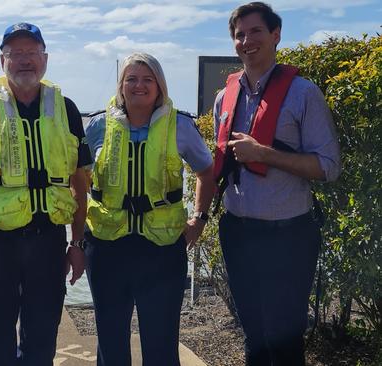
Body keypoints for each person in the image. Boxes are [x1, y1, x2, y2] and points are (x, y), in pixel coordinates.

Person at [0, 22, 92, 365]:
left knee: (41, 341)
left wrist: (76, 244)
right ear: (2, 61)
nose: (25, 60)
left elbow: (79, 183)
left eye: (32, 52)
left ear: (45, 59)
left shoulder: (67, 110)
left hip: (47, 244)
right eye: (16, 54)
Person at [213, 3, 341, 365]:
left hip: (288, 236)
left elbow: (329, 167)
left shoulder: (303, 94)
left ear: (275, 35)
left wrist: (265, 154)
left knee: (284, 343)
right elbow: (219, 164)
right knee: (253, 338)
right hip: (237, 233)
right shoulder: (225, 97)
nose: (246, 41)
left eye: (255, 32)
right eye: (239, 34)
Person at [84, 52, 215, 366]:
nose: (138, 85)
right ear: (121, 85)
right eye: (131, 79)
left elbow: (207, 173)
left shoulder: (180, 125)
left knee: (160, 343)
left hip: (162, 247)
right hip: (106, 245)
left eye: (147, 79)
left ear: (159, 86)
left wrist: (199, 218)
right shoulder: (99, 125)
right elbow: (79, 179)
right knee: (111, 340)